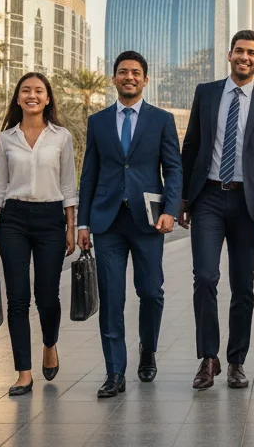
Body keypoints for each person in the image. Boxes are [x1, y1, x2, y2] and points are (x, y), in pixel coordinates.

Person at [179, 29, 254, 390]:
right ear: (229, 55)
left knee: (244, 286)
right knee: (205, 277)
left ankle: (236, 360)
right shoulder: (206, 94)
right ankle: (208, 359)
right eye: (239, 51)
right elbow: (191, 146)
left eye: (251, 53)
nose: (244, 57)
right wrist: (181, 199)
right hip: (207, 197)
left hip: (247, 203)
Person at [77, 51, 182, 398]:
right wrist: (82, 223)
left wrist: (171, 208)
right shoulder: (99, 122)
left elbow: (173, 168)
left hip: (148, 221)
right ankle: (115, 372)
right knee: (111, 297)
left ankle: (148, 348)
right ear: (113, 79)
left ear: (145, 79)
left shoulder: (161, 120)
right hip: (107, 221)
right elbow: (89, 174)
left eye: (136, 72)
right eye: (123, 72)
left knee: (151, 292)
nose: (129, 77)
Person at [0, 72, 77, 396]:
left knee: (47, 295)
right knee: (18, 298)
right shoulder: (7, 137)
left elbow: (68, 185)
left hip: (51, 218)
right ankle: (24, 372)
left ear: (48, 98)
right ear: (18, 97)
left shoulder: (61, 137)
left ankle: (50, 344)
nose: (32, 95)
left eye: (38, 90)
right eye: (25, 90)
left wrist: (71, 226)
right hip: (15, 220)